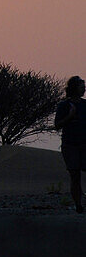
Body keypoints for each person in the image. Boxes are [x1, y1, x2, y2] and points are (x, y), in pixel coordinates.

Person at [54, 76, 86, 214]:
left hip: (85, 144)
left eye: (84, 86)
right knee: (75, 175)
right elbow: (57, 125)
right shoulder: (63, 105)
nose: (84, 88)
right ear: (74, 88)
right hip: (70, 145)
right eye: (81, 86)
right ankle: (78, 205)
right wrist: (70, 116)